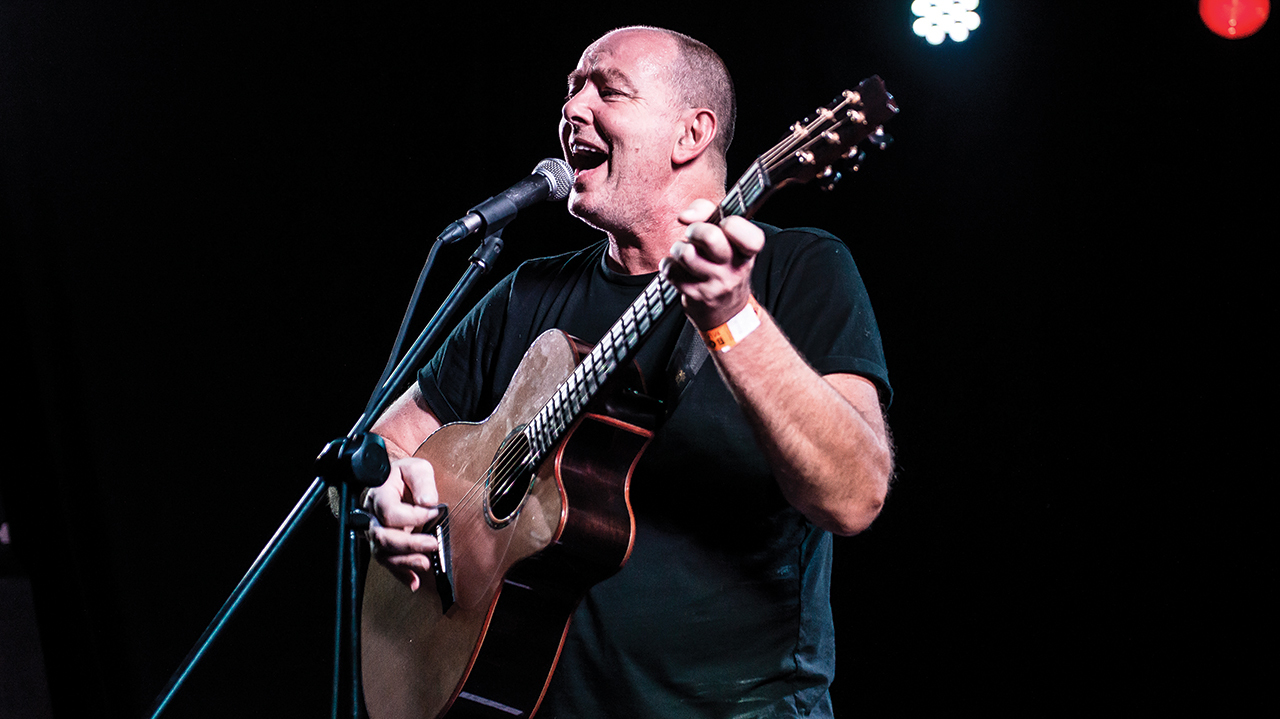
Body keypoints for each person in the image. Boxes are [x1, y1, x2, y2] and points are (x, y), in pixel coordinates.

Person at [364, 26, 893, 718]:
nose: (573, 109)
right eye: (572, 90)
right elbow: (381, 443)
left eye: (606, 89)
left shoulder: (801, 270)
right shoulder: (525, 294)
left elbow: (854, 495)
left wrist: (733, 319)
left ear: (691, 134)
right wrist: (386, 496)